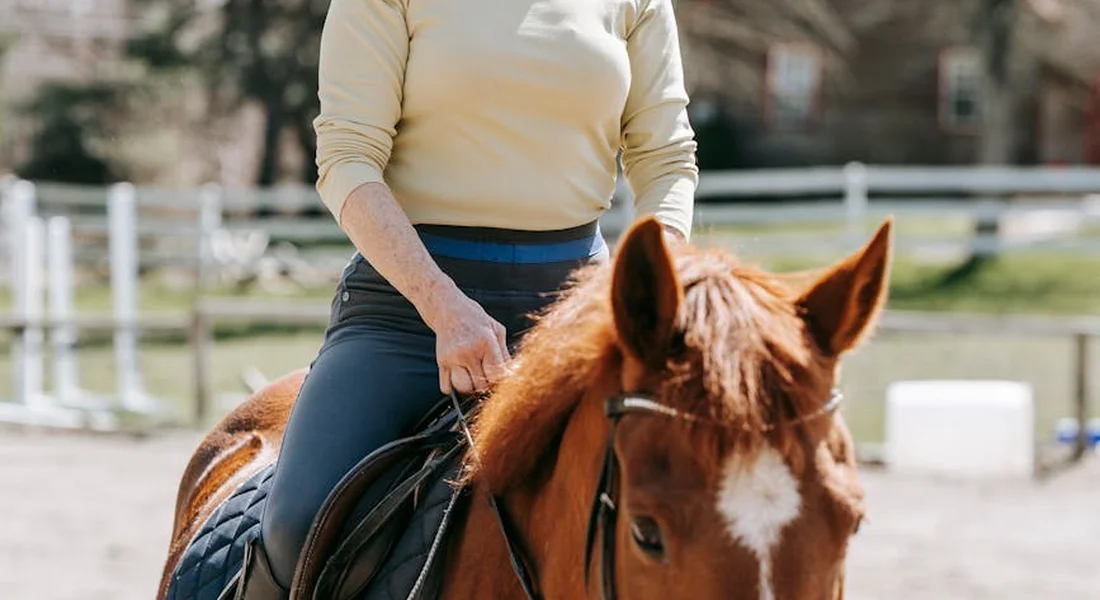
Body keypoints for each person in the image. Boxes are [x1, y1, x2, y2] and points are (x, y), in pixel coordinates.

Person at [247, 0, 698, 596]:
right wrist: (442, 306)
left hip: (573, 311)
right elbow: (347, 157)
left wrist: (653, 296)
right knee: (297, 522)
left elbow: (665, 157)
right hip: (405, 314)